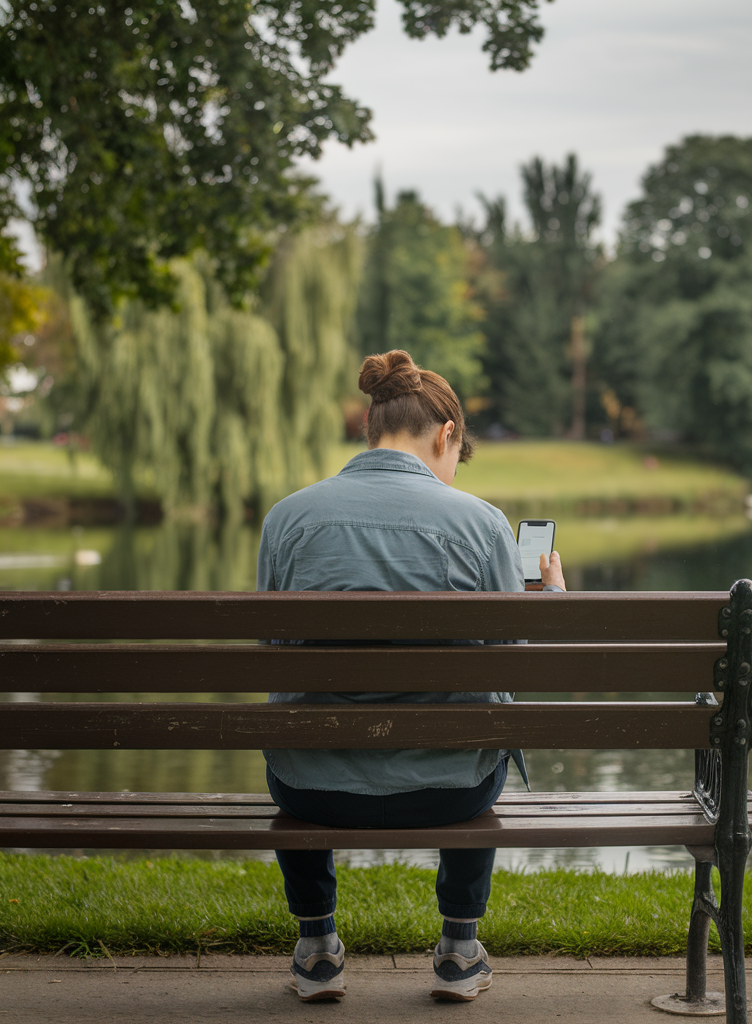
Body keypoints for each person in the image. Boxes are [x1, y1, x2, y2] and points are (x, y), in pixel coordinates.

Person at [258, 349, 566, 1003]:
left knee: (296, 715)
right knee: (482, 709)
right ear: (445, 434)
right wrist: (548, 603)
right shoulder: (480, 523)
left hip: (312, 789)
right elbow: (512, 656)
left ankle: (316, 947)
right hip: (450, 792)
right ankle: (459, 948)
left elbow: (273, 649)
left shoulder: (287, 519)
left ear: (370, 427)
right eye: (460, 452)